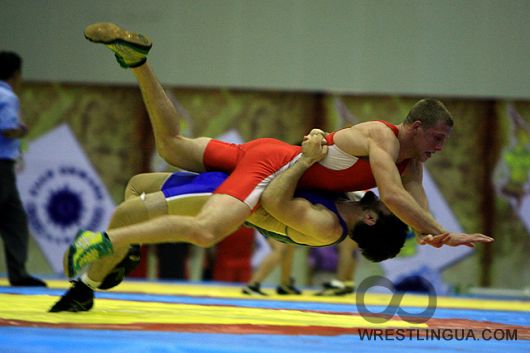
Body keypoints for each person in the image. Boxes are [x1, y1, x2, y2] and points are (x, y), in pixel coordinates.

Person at [66, 23, 493, 277]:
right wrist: (444, 232)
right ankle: (107, 240)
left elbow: (412, 197)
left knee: (171, 146)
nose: (438, 149)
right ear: (416, 127)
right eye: (437, 139)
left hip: (271, 156)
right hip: (275, 166)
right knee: (205, 232)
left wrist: (428, 232)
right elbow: (396, 198)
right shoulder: (383, 138)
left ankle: (139, 64)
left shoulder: (409, 159)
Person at [50, 139, 403, 312]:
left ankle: (104, 250)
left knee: (185, 228)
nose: (387, 199)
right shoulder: (352, 199)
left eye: (388, 210)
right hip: (246, 177)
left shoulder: (329, 228)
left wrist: (305, 158)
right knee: (138, 184)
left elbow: (275, 201)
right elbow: (391, 172)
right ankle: (105, 269)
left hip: (245, 197)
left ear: (372, 219)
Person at [0, 51, 46, 287]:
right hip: (2, 165)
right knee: (14, 220)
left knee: (14, 218)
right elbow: (8, 129)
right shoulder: (7, 97)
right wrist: (22, 130)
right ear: (16, 74)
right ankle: (18, 272)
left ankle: (19, 273)